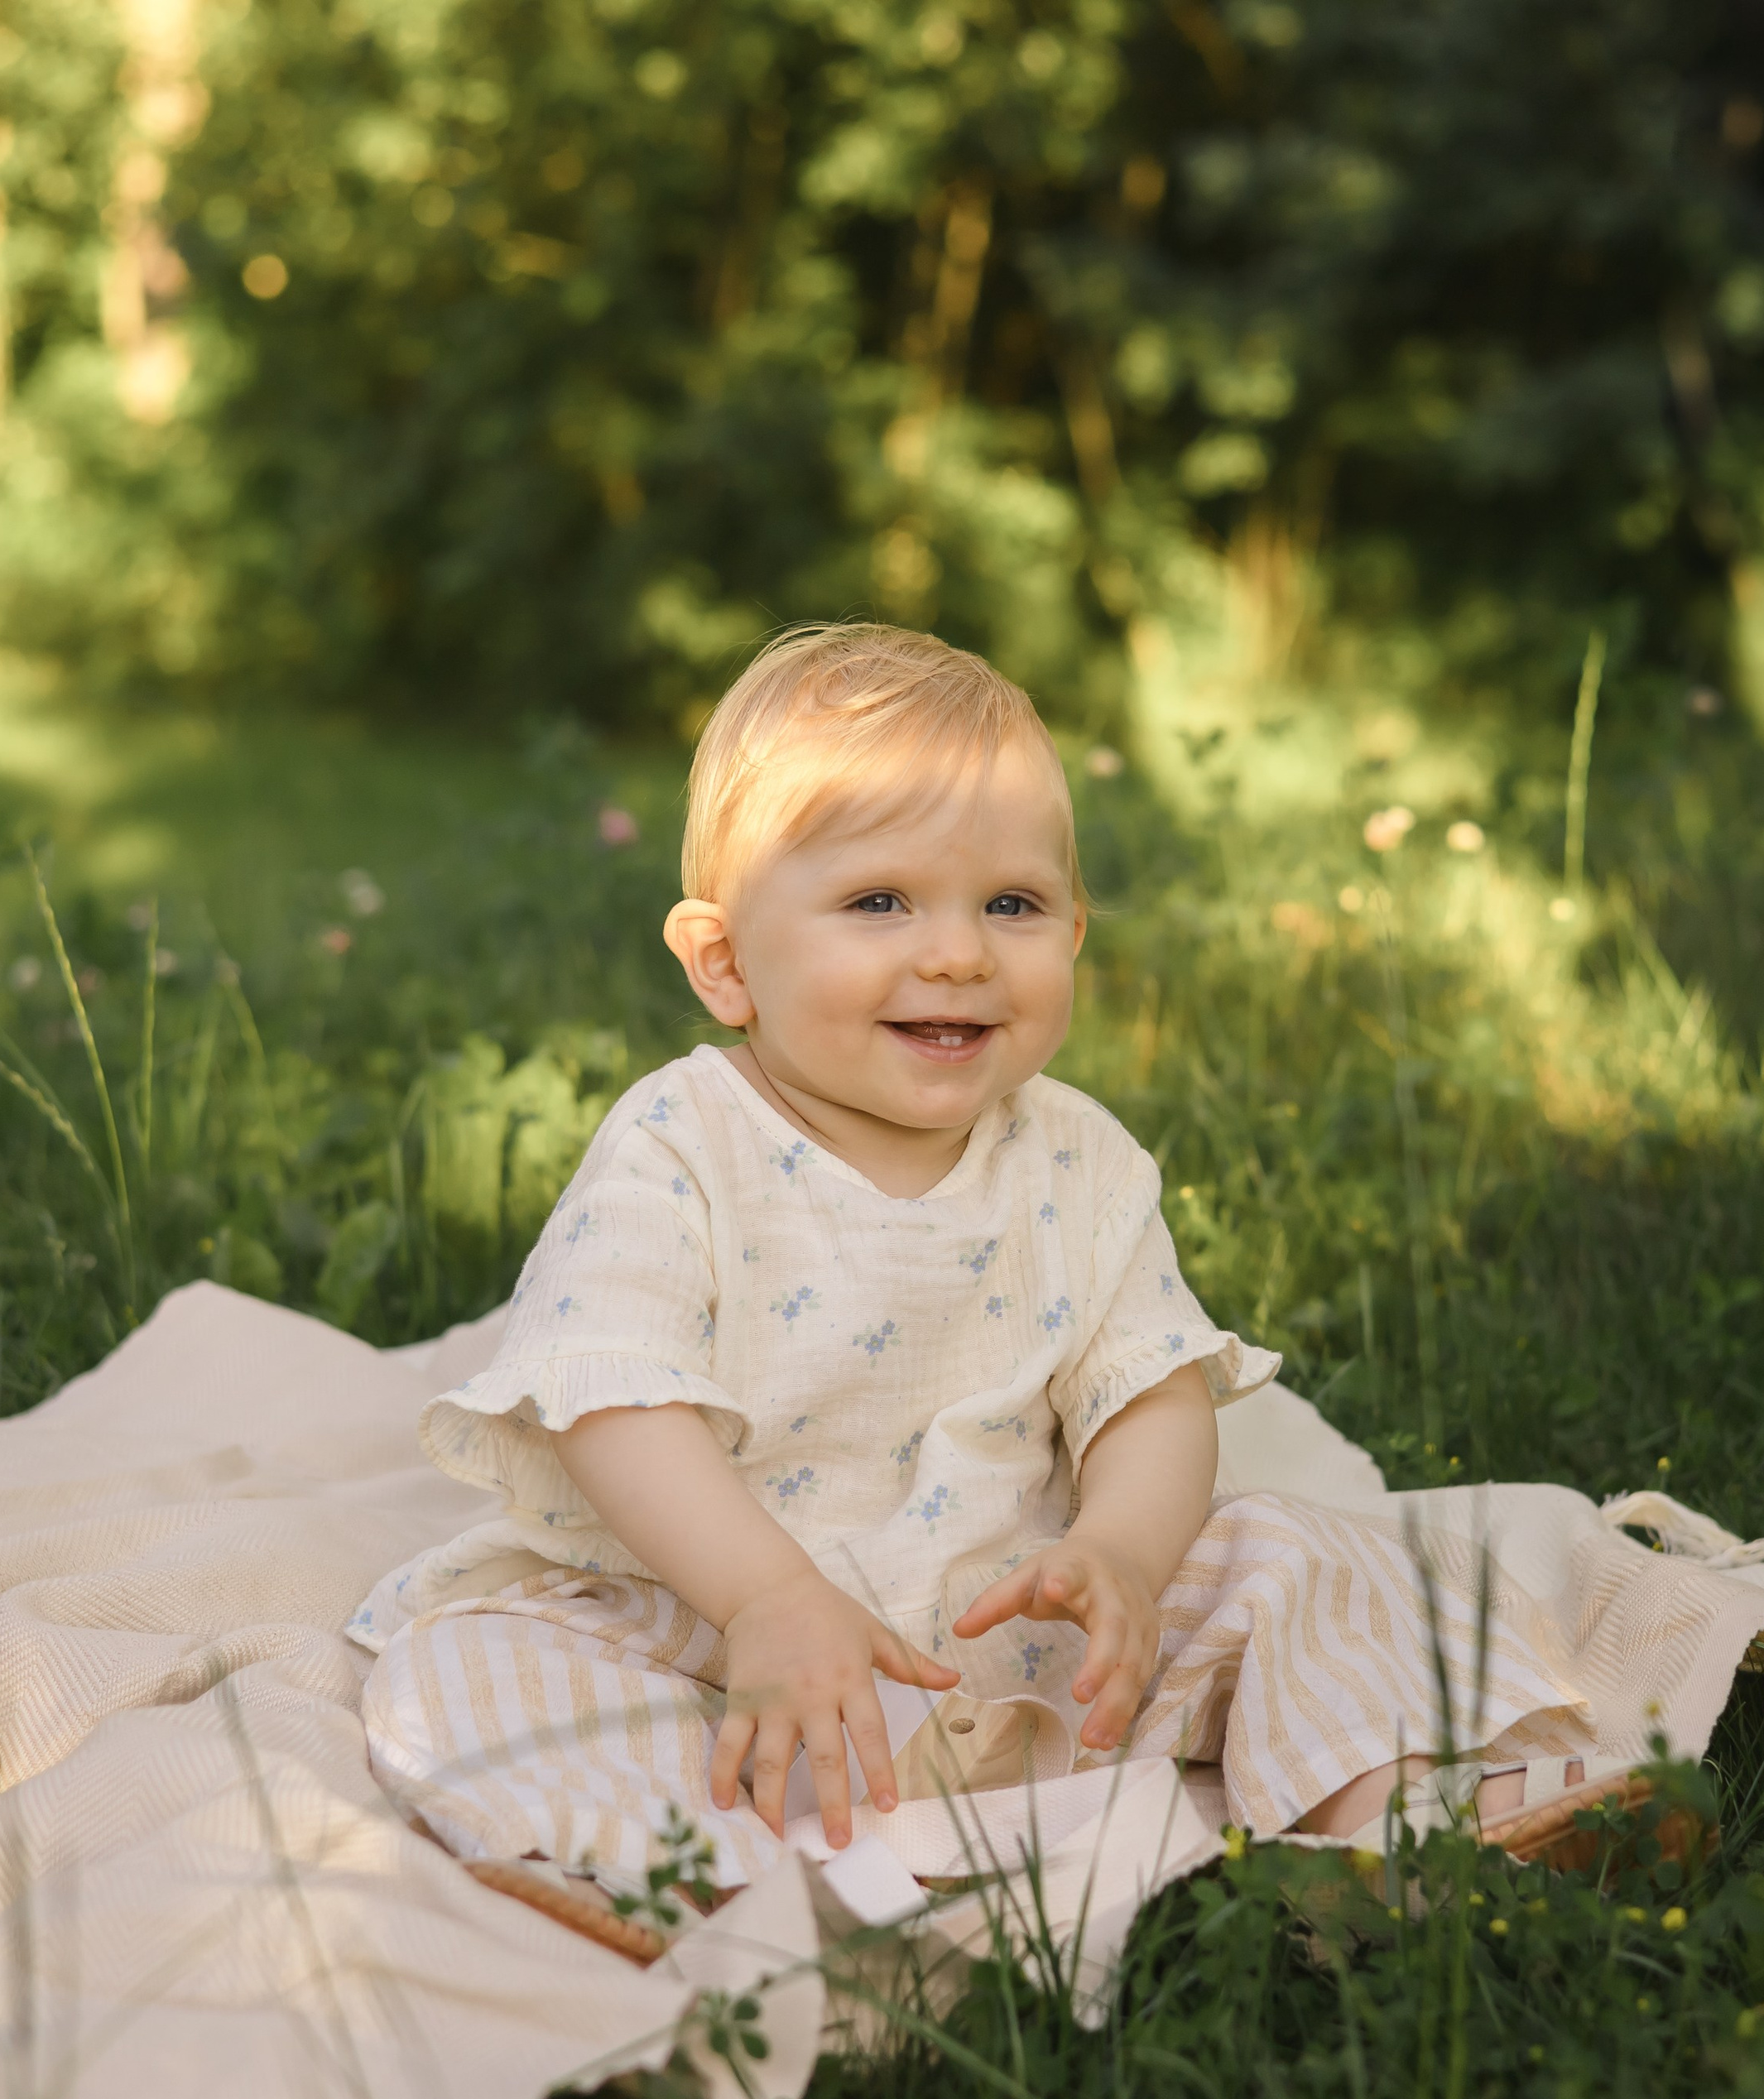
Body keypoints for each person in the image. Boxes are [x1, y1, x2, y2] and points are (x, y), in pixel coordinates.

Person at [353, 622, 1603, 1914]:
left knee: (1303, 1560)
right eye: (878, 901)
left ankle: (1395, 1821)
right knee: (474, 1675)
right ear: (726, 962)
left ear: (1073, 932)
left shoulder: (1082, 1160)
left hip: (1010, 1627)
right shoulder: (682, 1145)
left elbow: (1149, 1392)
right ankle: (676, 1873)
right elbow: (614, 1399)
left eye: (1010, 904)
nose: (957, 952)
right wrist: (768, 1599)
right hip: (710, 1621)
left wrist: (1118, 1553)